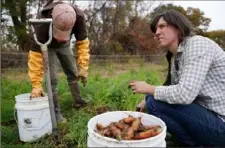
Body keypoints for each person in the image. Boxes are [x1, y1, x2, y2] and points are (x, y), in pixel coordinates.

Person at [129, 10, 225, 146]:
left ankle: (193, 144)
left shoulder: (197, 44)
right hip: (208, 115)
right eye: (155, 29)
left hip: (221, 122)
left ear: (178, 28)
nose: (156, 33)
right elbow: (172, 90)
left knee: (154, 102)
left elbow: (184, 94)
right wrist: (147, 98)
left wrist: (148, 88)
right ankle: (186, 141)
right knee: (151, 99)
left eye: (162, 26)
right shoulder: (177, 56)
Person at [28, 1, 90, 124]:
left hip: (65, 45)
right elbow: (35, 57)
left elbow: (83, 42)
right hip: (47, 46)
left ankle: (78, 101)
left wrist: (83, 66)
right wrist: (36, 85)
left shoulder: (79, 17)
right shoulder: (41, 22)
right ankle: (55, 113)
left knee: (73, 72)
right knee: (52, 79)